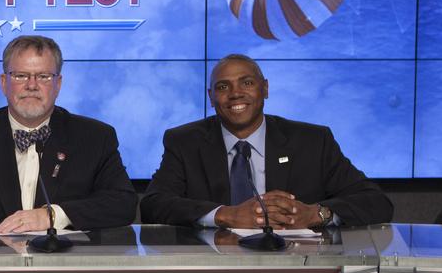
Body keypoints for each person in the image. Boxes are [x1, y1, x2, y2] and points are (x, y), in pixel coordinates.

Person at [140, 53, 393, 229]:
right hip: (212, 272)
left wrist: (316, 214)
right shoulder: (185, 142)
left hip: (296, 271)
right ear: (210, 97)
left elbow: (375, 202)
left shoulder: (312, 141)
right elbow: (153, 205)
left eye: (247, 83)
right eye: (223, 87)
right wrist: (226, 215)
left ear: (266, 89)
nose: (236, 93)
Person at [0, 35, 137, 232]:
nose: (32, 85)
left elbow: (123, 204)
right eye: (21, 76)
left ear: (58, 84)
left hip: (68, 271)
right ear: (4, 83)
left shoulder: (95, 137)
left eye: (43, 76)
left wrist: (52, 215)